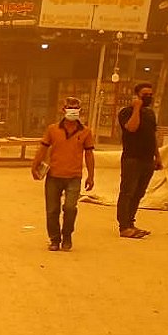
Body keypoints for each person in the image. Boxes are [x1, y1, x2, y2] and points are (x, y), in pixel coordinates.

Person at [31, 96, 95, 251]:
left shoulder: (86, 132)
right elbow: (43, 148)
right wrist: (35, 165)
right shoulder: (53, 129)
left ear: (80, 110)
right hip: (53, 175)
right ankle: (54, 239)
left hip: (74, 177)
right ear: (63, 109)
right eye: (70, 108)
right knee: (52, 209)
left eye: (75, 108)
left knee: (70, 207)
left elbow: (89, 154)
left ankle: (67, 236)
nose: (72, 111)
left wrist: (91, 176)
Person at [117, 81, 161, 239]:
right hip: (132, 159)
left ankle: (131, 222)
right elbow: (132, 127)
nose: (148, 97)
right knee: (127, 192)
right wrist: (136, 108)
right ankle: (124, 226)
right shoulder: (126, 112)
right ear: (137, 96)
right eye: (145, 95)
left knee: (139, 193)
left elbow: (152, 136)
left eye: (150, 94)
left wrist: (158, 156)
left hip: (147, 159)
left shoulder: (150, 114)